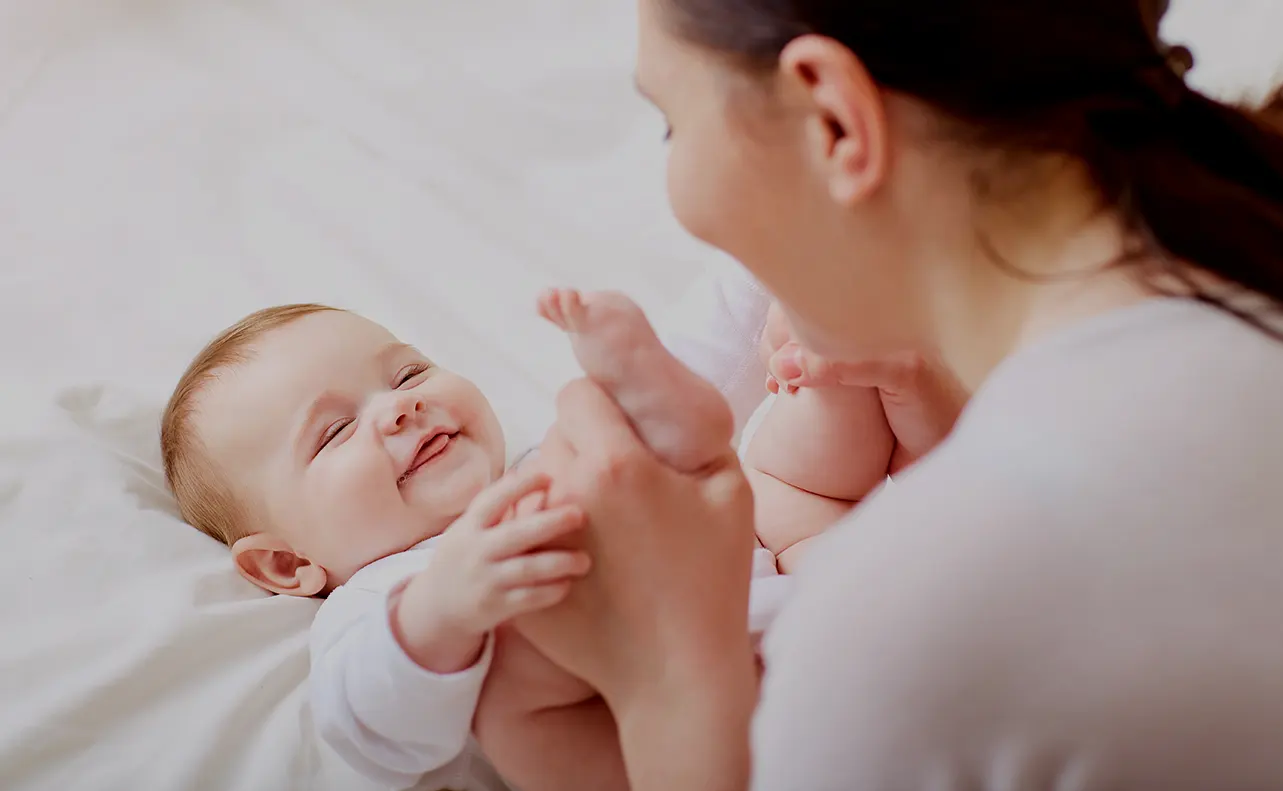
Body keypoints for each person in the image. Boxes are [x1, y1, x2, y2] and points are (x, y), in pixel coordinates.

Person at [508, 0, 1283, 789]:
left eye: (671, 124)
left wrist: (666, 677)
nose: (676, 187)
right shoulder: (1263, 246)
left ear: (833, 120)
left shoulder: (908, 625)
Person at [156, 282, 888, 788]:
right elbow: (368, 735)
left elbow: (713, 351)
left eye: (408, 372)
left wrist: (756, 264)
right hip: (688, 747)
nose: (399, 408)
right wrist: (444, 608)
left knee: (786, 443)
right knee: (514, 670)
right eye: (336, 430)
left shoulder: (553, 459)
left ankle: (809, 351)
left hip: (799, 597)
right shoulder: (385, 600)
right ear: (287, 562)